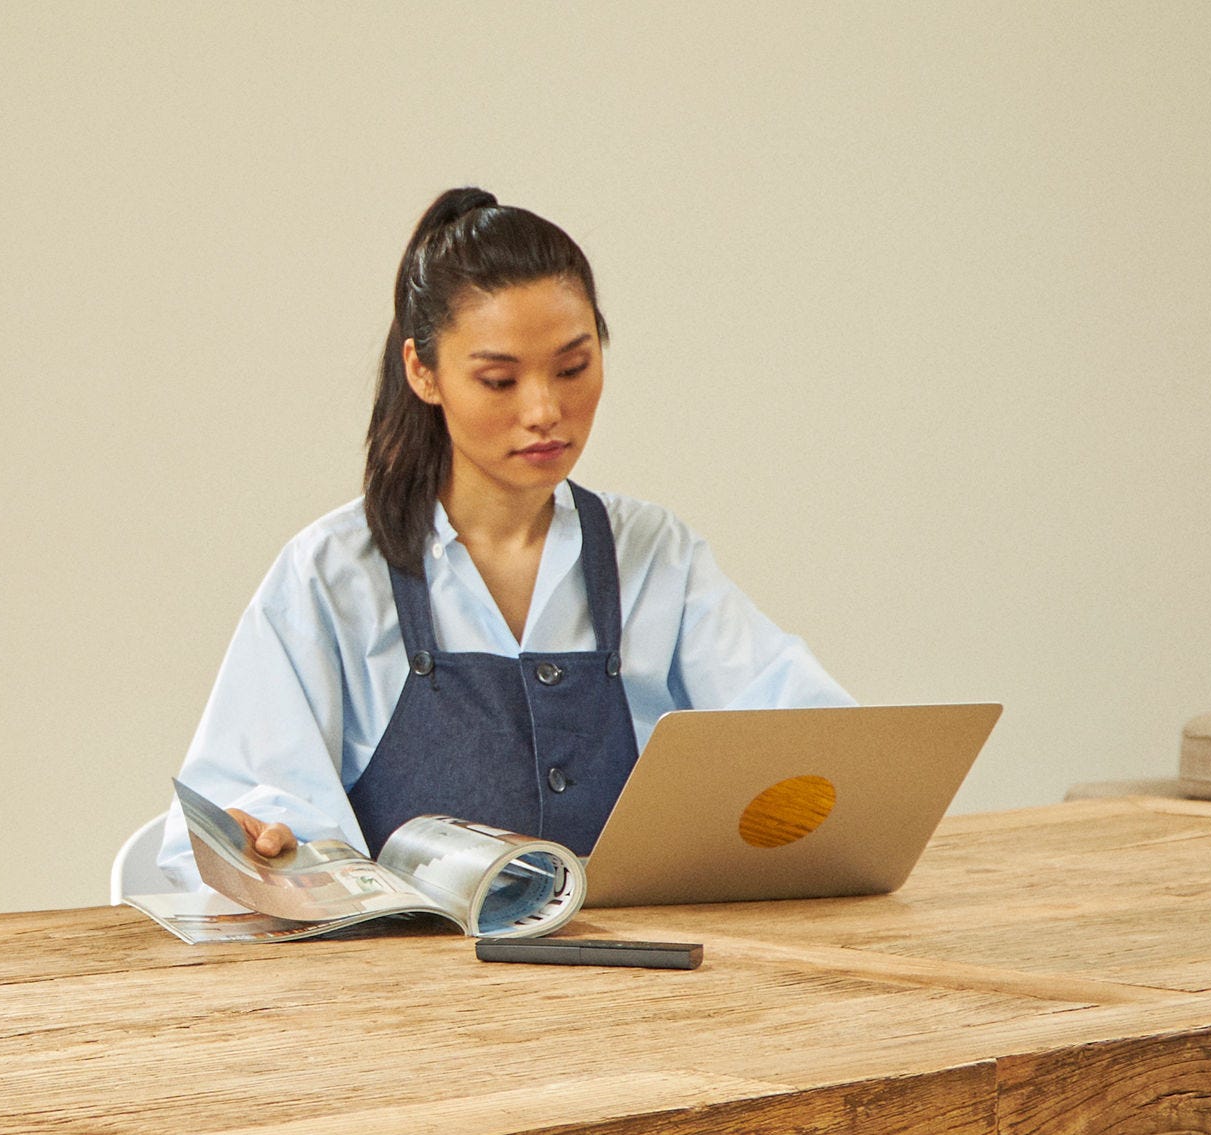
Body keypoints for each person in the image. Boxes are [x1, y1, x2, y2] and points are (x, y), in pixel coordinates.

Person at [157, 187, 851, 885]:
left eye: (573, 368)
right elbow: (243, 814)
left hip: (633, 974)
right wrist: (260, 844)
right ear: (422, 373)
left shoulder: (652, 553)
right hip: (406, 986)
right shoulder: (334, 574)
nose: (546, 410)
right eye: (498, 380)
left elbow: (814, 739)